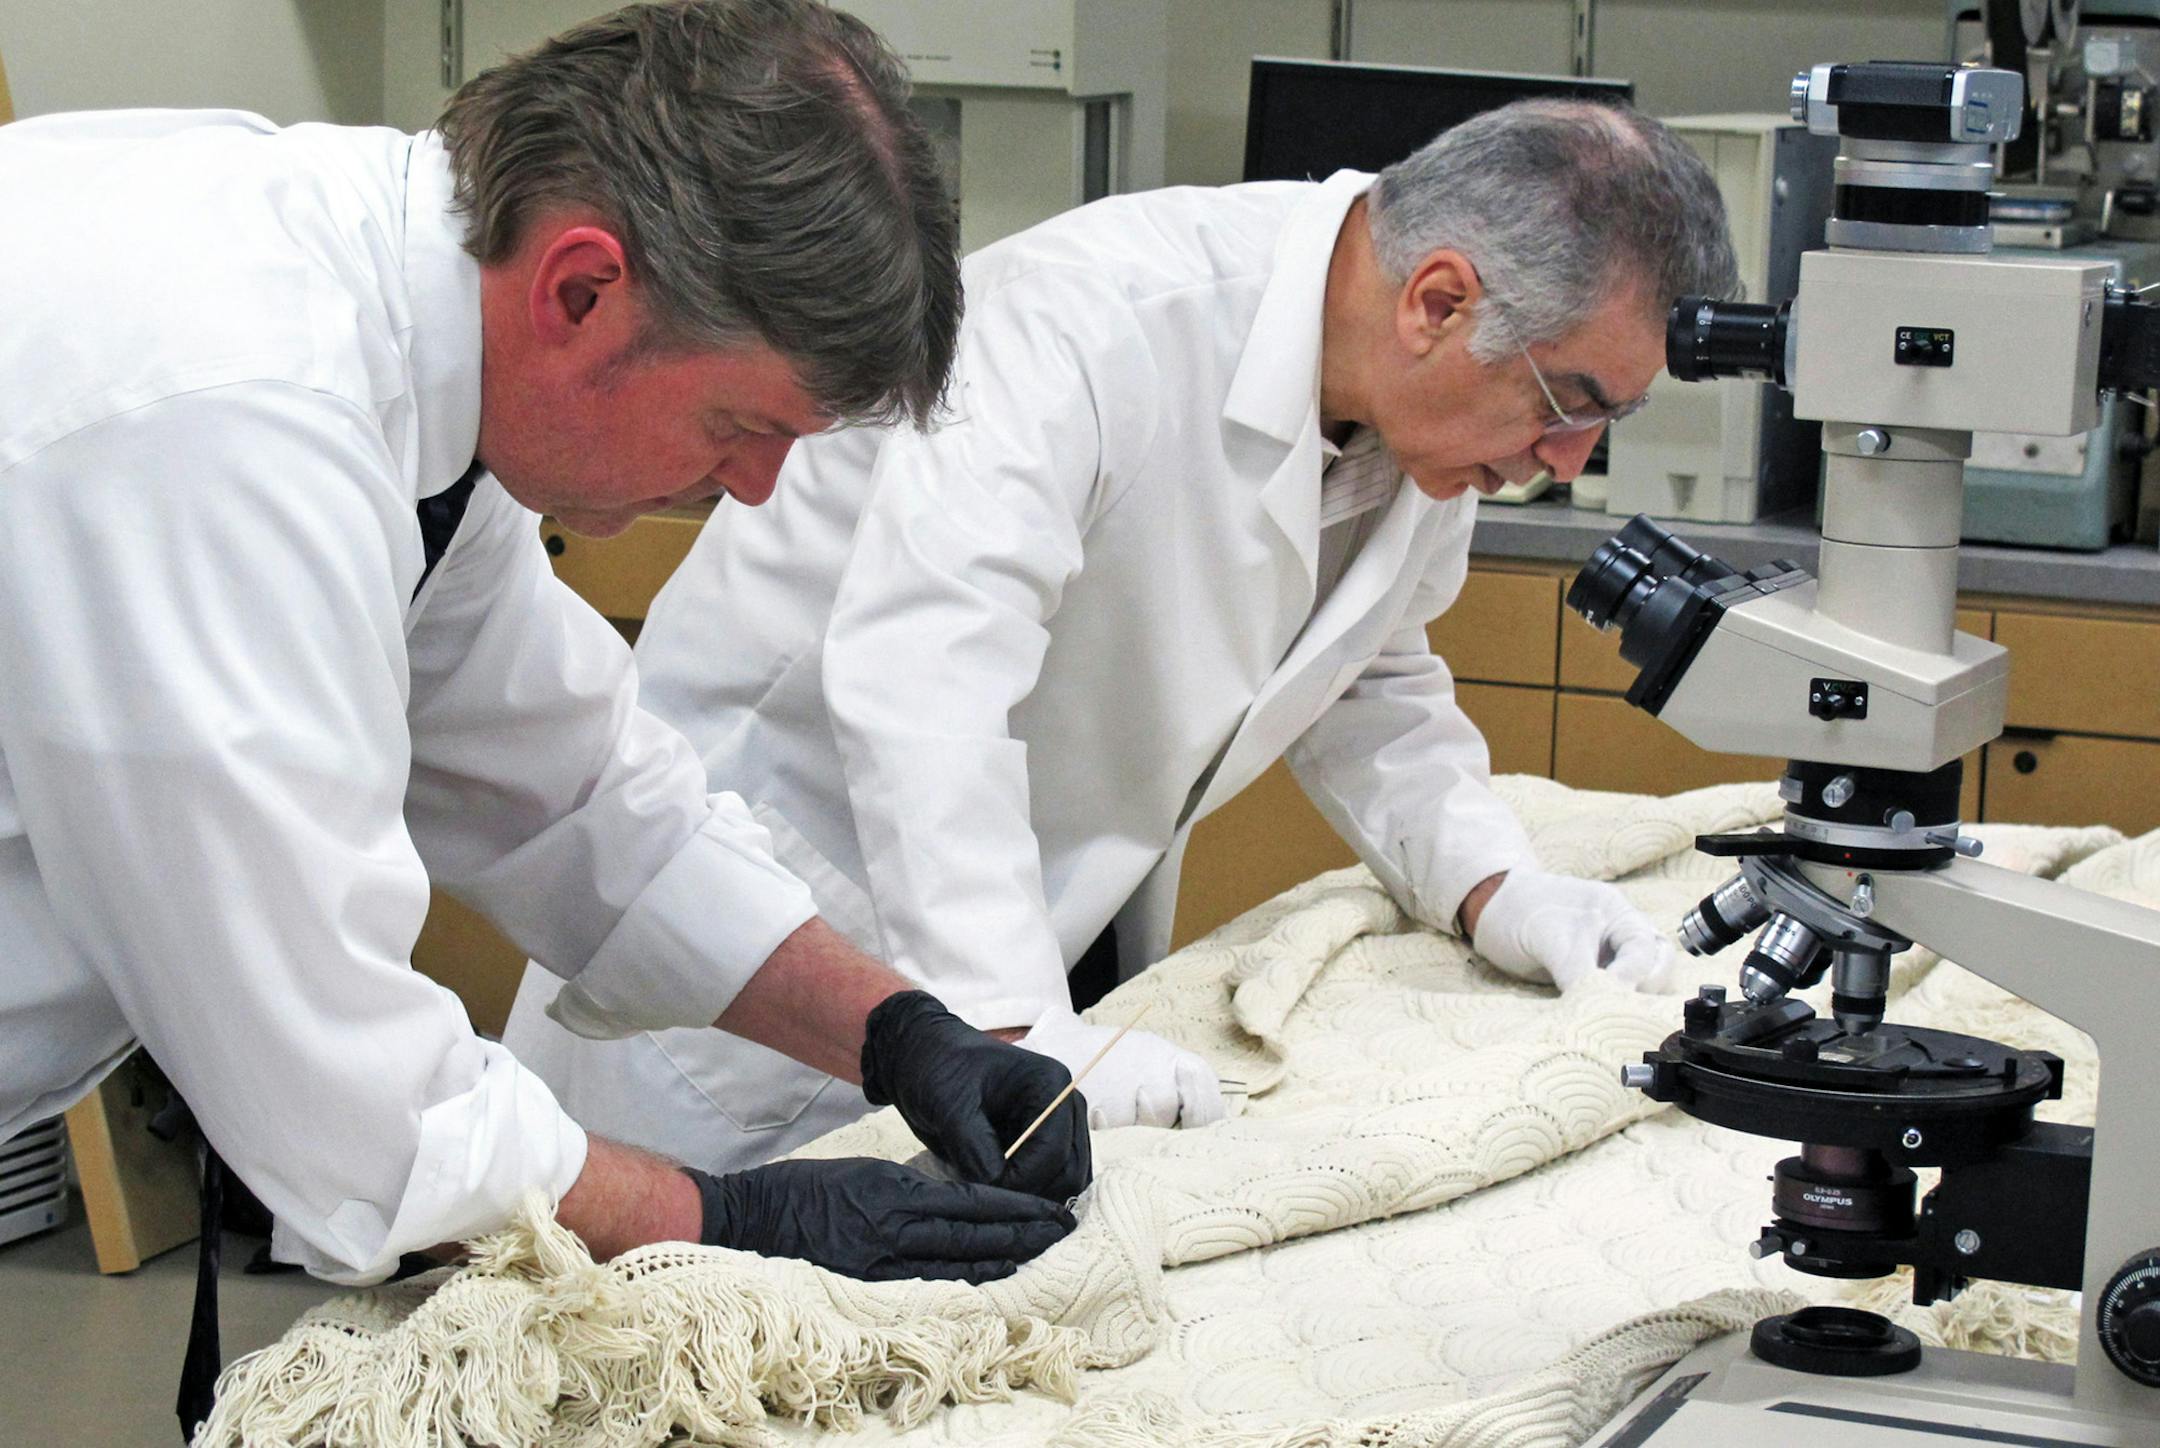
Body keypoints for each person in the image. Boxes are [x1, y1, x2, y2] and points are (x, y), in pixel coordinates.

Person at [0, 0, 1089, 1323]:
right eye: (740, 423)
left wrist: (903, 1032)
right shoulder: (227, 427)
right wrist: (728, 1224)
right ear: (582, 290)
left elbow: (574, 797)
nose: (754, 488)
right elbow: (346, 1098)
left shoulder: (403, 345)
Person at [504, 98, 1742, 1173]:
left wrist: (1495, 883)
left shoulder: (1418, 421)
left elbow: (1366, 669)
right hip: (766, 953)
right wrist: (1006, 1030)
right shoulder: (1091, 322)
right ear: (1438, 299)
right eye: (1571, 401)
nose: (1569, 459)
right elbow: (922, 680)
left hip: (1024, 942)